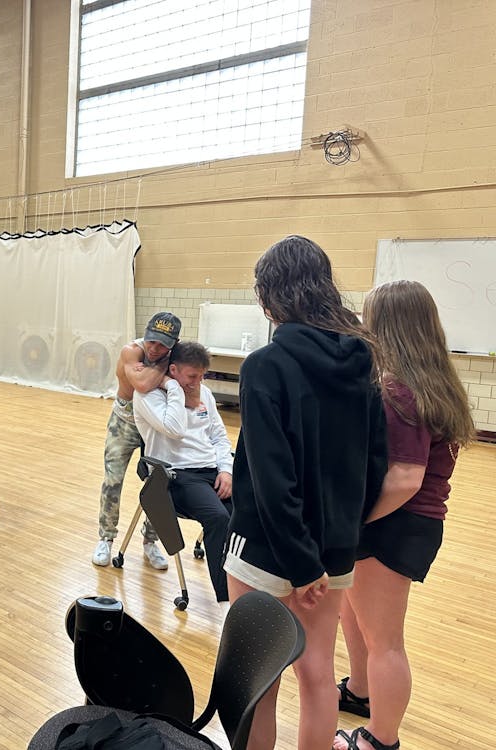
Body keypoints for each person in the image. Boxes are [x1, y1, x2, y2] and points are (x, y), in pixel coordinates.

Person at [223, 235, 388, 750]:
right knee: (318, 676)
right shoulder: (364, 361)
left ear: (270, 295)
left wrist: (299, 564)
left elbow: (270, 478)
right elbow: (375, 465)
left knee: (260, 683)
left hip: (267, 548)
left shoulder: (264, 365)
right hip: (333, 550)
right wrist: (333, 544)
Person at [332, 281, 475, 750]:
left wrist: (355, 524)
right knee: (354, 615)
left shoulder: (402, 390)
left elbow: (406, 479)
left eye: (369, 318)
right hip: (398, 522)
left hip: (395, 523)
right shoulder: (424, 381)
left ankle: (381, 739)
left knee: (385, 641)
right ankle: (360, 690)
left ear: (387, 325)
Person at [132, 341, 233, 602]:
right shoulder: (148, 397)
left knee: (250, 512)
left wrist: (226, 470)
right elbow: (175, 428)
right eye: (192, 376)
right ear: (173, 370)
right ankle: (227, 600)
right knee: (219, 518)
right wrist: (174, 388)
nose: (197, 382)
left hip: (211, 471)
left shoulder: (204, 392)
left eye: (202, 376)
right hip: (176, 475)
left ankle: (249, 588)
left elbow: (219, 437)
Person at [93, 311, 181, 569]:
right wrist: (163, 368)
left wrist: (155, 372)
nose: (154, 348)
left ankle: (150, 541)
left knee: (159, 483)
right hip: (124, 423)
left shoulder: (178, 355)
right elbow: (142, 384)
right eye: (151, 340)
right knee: (113, 479)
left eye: (162, 345)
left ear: (174, 343)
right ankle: (106, 538)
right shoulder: (131, 351)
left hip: (154, 426)